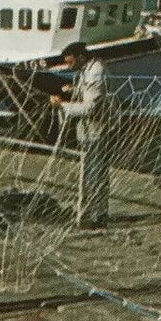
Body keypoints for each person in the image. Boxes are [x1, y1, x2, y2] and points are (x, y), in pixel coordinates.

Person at [50, 42, 111, 229]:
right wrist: (73, 90)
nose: (68, 67)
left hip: (97, 129)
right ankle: (90, 211)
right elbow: (86, 94)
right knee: (88, 172)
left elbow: (91, 107)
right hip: (86, 130)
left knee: (96, 172)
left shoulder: (96, 71)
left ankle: (97, 216)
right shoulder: (86, 70)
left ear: (81, 58)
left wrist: (62, 106)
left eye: (70, 63)